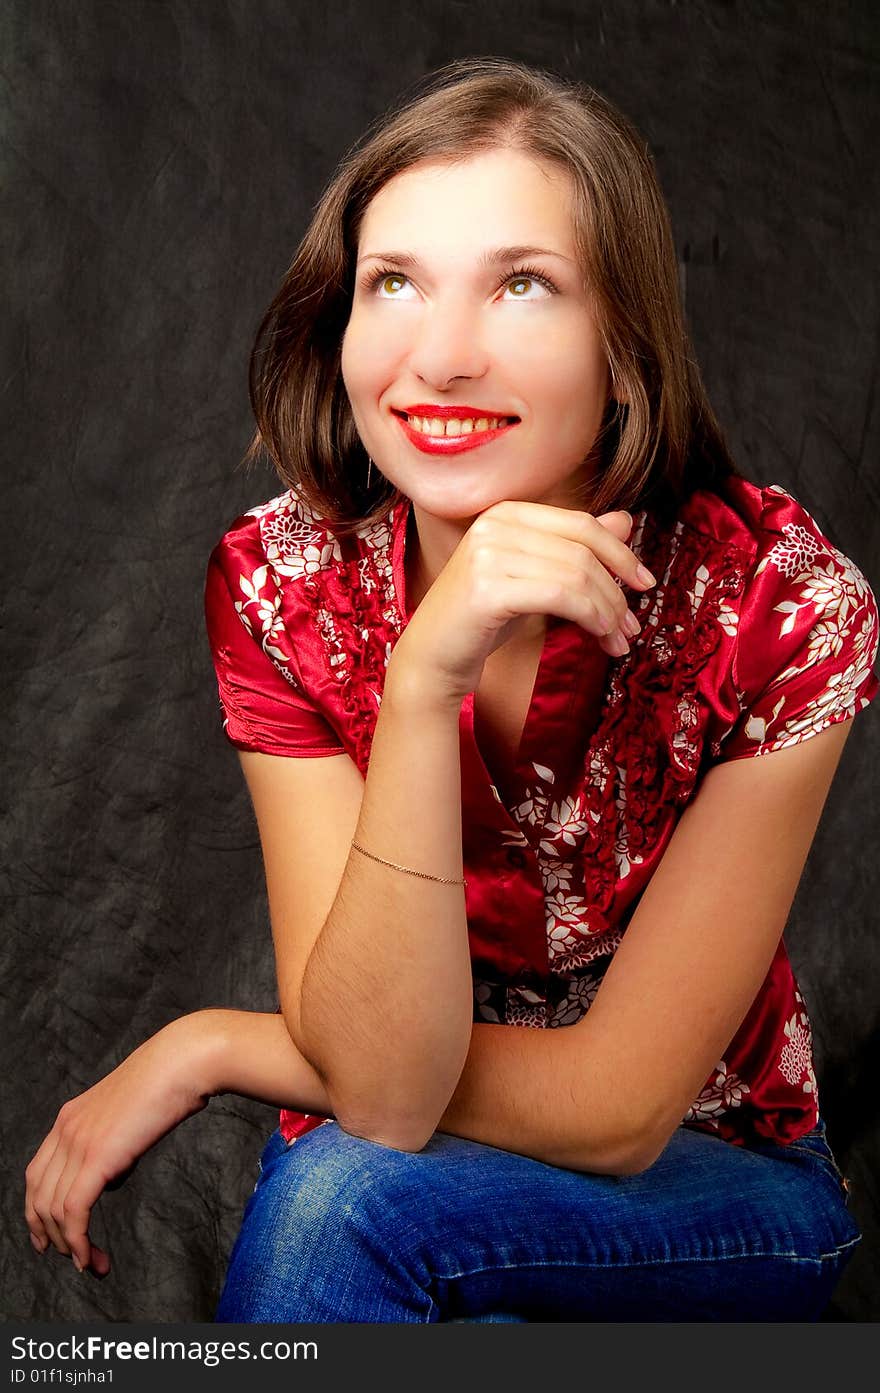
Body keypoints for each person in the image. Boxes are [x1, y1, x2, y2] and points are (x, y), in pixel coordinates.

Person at [24, 58, 879, 1323]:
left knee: (344, 1199)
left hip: (718, 1178)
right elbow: (379, 1080)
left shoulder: (778, 604)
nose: (441, 356)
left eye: (522, 285)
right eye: (394, 284)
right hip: (404, 1156)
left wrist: (217, 1041)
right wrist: (425, 679)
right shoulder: (282, 588)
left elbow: (620, 1110)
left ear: (626, 349)